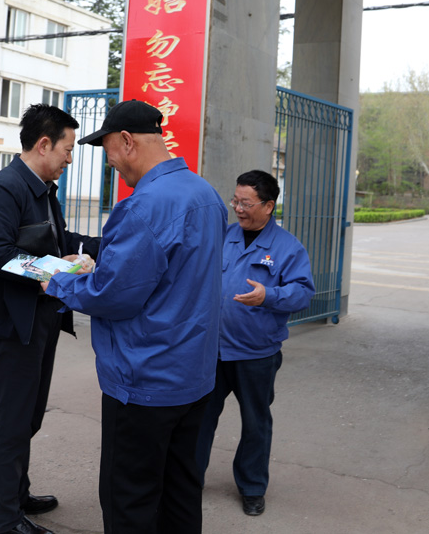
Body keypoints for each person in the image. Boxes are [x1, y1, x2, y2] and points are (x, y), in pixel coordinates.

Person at [43, 99, 226, 534]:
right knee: (181, 492)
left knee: (130, 500)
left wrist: (56, 281)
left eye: (107, 151)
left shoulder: (143, 206)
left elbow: (113, 295)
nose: (110, 163)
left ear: (127, 141)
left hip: (144, 381)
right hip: (195, 375)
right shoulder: (206, 194)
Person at [0, 104, 100, 534]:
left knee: (28, 418)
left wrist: (107, 244)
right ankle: (3, 521)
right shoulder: (4, 189)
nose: (70, 159)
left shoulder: (43, 190)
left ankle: (15, 493)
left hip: (38, 322)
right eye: (67, 149)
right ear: (44, 144)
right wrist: (58, 269)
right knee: (9, 424)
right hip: (10, 327)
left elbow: (60, 241)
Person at [195, 169, 315, 516]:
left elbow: (303, 293)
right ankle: (189, 479)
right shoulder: (224, 236)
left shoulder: (287, 248)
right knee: (199, 420)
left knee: (255, 422)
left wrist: (269, 296)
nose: (238, 209)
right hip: (213, 350)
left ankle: (252, 487)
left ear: (268, 206)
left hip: (256, 353)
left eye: (246, 203)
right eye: (235, 201)